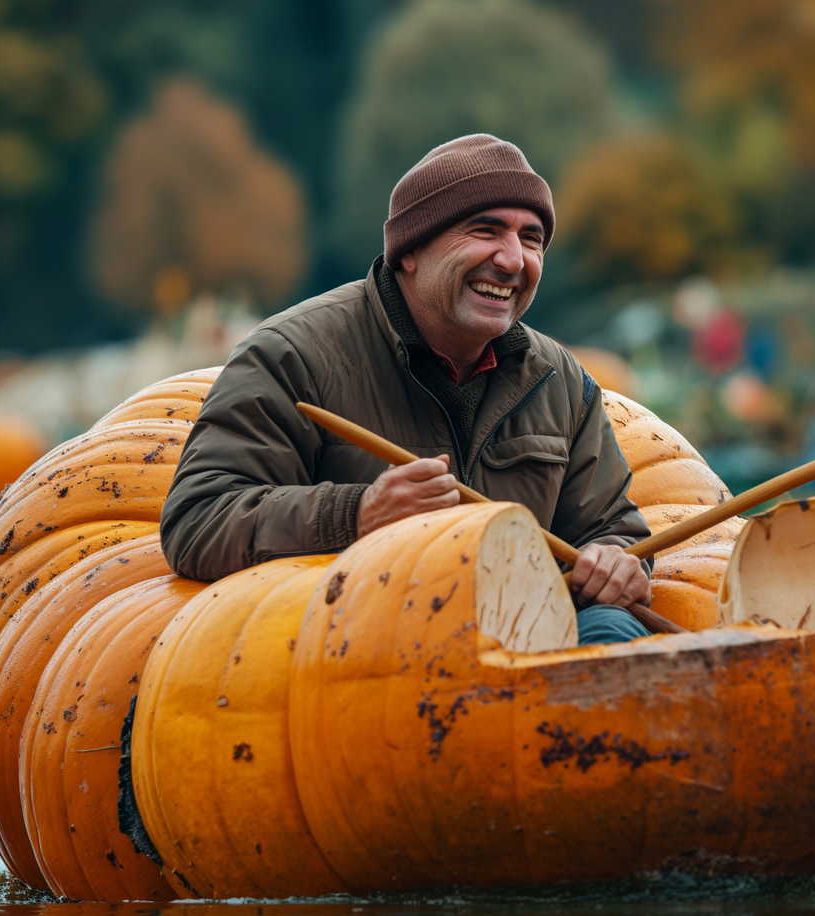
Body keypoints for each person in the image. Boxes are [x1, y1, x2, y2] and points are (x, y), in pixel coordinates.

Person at [161, 134, 652, 646]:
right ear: (411, 250)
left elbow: (612, 528)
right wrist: (358, 515)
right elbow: (198, 520)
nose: (512, 260)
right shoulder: (291, 354)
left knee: (617, 633)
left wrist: (619, 562)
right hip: (350, 654)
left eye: (531, 239)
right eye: (485, 230)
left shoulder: (560, 380)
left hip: (522, 647)